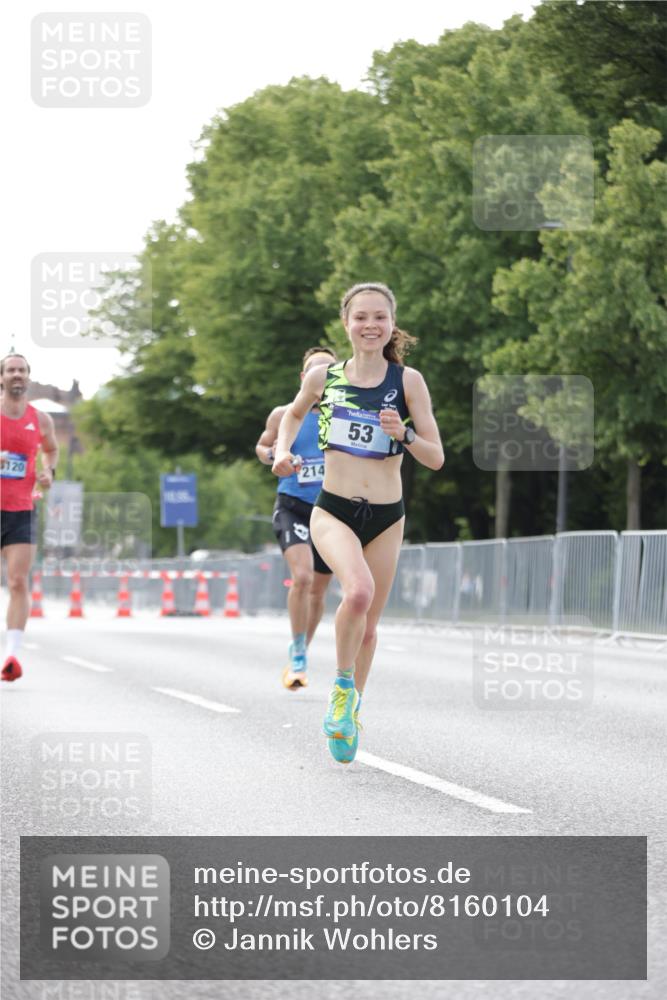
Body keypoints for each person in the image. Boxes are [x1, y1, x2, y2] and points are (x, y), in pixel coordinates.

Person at [273, 283, 444, 762]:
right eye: (361, 317)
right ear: (346, 324)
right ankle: (342, 687)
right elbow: (291, 415)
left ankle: (349, 709)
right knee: (359, 592)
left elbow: (435, 458)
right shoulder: (325, 377)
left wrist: (403, 432)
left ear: (392, 324)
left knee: (369, 626)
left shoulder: (408, 381)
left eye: (380, 318)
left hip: (388, 516)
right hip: (333, 509)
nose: (370, 326)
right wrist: (284, 451)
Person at [256, 347, 336, 690]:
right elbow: (262, 446)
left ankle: (301, 646)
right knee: (302, 578)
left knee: (318, 591)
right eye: (315, 371)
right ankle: (299, 654)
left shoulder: (346, 415)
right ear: (305, 379)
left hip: (332, 511)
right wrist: (274, 453)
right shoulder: (284, 414)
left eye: (329, 371)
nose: (322, 376)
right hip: (293, 505)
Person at [1, 353, 59, 681]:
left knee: (18, 581)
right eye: (11, 370)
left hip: (21, 507)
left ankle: (11, 657)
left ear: (28, 376)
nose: (16, 375)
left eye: (21, 370)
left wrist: (49, 471)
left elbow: (51, 450)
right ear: (2, 378)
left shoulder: (41, 420)